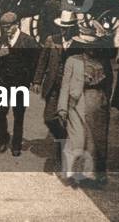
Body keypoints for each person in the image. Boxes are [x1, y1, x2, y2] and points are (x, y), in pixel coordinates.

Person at [57, 25, 113, 187]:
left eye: (93, 47)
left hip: (97, 104)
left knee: (95, 142)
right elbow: (65, 85)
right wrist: (62, 107)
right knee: (77, 139)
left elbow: (109, 84)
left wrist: (105, 101)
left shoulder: (103, 62)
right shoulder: (72, 61)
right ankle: (73, 173)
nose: (91, 50)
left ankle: (93, 176)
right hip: (76, 104)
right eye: (88, 47)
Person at [0, 12, 39, 156]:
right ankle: (3, 140)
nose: (6, 30)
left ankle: (16, 144)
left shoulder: (28, 41)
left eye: (9, 27)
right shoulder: (0, 41)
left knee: (18, 113)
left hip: (20, 84)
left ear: (17, 24)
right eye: (4, 27)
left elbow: (35, 62)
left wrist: (33, 81)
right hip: (3, 84)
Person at [32, 9, 79, 164]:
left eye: (67, 28)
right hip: (53, 85)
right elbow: (42, 61)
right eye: (62, 27)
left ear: (73, 27)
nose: (64, 31)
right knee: (49, 118)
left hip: (71, 87)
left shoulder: (79, 43)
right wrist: (37, 80)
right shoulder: (51, 40)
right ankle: (61, 138)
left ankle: (62, 151)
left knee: (67, 119)